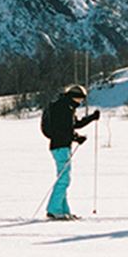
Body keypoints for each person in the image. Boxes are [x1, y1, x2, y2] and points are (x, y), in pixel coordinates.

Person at [41, 84, 99, 220]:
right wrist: (76, 137)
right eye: (80, 99)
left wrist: (91, 118)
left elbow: (73, 125)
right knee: (64, 179)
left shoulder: (65, 106)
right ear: (74, 97)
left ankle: (63, 210)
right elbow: (65, 128)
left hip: (60, 146)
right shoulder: (64, 108)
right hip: (60, 146)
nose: (81, 102)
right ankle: (54, 210)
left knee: (63, 178)